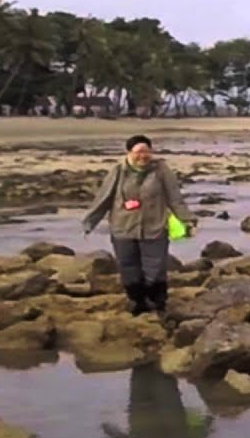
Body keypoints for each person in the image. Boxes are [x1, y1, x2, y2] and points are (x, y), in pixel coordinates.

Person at [82, 134, 197, 315]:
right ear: (128, 152)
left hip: (154, 227)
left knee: (155, 269)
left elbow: (175, 198)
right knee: (128, 267)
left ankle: (158, 303)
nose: (143, 156)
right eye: (138, 152)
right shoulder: (118, 171)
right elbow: (103, 198)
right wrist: (90, 222)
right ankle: (137, 302)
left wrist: (187, 220)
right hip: (123, 228)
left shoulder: (161, 170)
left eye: (146, 151)